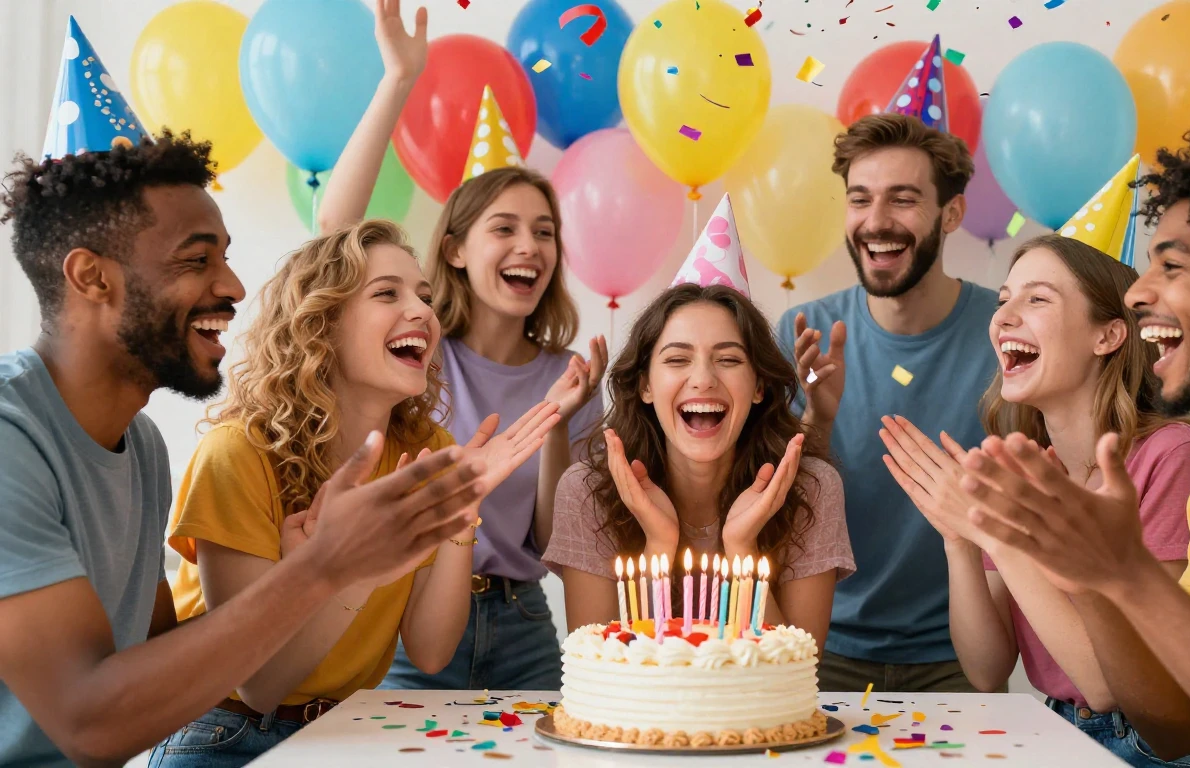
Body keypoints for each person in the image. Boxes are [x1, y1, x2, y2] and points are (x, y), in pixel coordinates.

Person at [0, 134, 488, 767]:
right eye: (197, 260)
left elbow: (163, 667)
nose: (232, 285)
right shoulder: (12, 440)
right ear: (92, 277)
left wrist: (320, 566)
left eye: (225, 258)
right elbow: (89, 723)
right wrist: (325, 568)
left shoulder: (140, 445)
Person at [955, 131, 1190, 768]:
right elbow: (1177, 731)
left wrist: (1125, 573)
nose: (1137, 293)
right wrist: (1102, 572)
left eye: (1174, 265)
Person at [148, 220, 560, 766]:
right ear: (321, 324)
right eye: (387, 293)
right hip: (225, 735)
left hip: (347, 732)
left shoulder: (426, 450)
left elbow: (433, 653)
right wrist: (362, 568)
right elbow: (259, 685)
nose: (422, 312)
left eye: (424, 296)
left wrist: (462, 514)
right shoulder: (237, 455)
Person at [319, 0, 607, 692]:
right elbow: (334, 236)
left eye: (543, 232)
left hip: (524, 625)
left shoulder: (567, 377)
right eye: (504, 228)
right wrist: (398, 80)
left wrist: (561, 421)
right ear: (452, 249)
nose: (529, 247)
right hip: (405, 610)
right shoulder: (413, 351)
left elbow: (546, 541)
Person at [882, 234, 1190, 766]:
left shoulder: (1172, 456)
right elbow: (987, 668)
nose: (1003, 318)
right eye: (1003, 300)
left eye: (1036, 299)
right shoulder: (1025, 468)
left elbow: (1108, 685)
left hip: (1160, 746)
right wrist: (959, 539)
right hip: (1054, 725)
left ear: (1109, 335)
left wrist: (999, 535)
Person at [776, 113, 1000, 691]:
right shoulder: (803, 333)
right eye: (860, 199)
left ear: (951, 213)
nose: (876, 222)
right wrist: (817, 418)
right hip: (818, 647)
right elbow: (775, 513)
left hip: (960, 656)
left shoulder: (1006, 336)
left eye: (902, 200)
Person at [545, 284, 855, 645]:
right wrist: (659, 544)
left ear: (758, 386)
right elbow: (599, 665)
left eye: (729, 360)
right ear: (645, 385)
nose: (704, 379)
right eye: (677, 360)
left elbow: (799, 666)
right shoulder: (588, 491)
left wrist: (742, 548)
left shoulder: (811, 488)